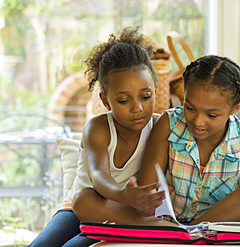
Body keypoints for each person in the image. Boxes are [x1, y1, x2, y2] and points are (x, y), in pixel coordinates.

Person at [29, 26, 166, 247]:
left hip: (119, 212)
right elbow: (98, 175)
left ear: (156, 91)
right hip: (80, 206)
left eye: (146, 96)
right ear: (105, 100)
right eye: (123, 100)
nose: (137, 107)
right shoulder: (98, 127)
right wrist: (124, 193)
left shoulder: (161, 125)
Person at [137, 55, 240, 225]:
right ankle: (188, 235)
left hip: (219, 230)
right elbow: (146, 191)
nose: (198, 121)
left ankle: (191, 232)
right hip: (168, 226)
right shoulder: (168, 124)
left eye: (211, 115)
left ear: (236, 108)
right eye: (190, 107)